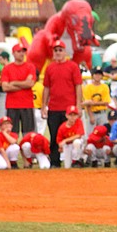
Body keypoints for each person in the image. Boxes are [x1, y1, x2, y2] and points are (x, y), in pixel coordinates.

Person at [42, 39, 83, 167]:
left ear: (65, 52)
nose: (58, 52)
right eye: (56, 50)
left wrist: (78, 105)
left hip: (69, 108)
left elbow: (78, 86)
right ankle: (55, 161)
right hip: (54, 107)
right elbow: (46, 88)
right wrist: (44, 105)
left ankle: (74, 160)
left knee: (73, 134)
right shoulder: (50, 68)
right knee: (54, 135)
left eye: (60, 50)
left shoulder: (73, 66)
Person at [0, 43, 37, 135]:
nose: (22, 54)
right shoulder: (7, 68)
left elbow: (30, 83)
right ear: (13, 53)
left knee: (29, 133)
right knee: (12, 133)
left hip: (27, 104)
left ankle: (27, 149)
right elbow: (5, 87)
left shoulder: (30, 67)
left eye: (23, 51)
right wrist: (23, 84)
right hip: (12, 105)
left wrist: (14, 83)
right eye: (19, 51)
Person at [81, 67, 112, 134]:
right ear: (92, 75)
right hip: (91, 113)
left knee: (103, 133)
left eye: (99, 74)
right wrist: (91, 116)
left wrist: (93, 103)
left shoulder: (105, 87)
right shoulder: (88, 87)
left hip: (102, 113)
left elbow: (106, 102)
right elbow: (88, 103)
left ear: (102, 76)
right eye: (96, 74)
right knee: (91, 134)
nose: (97, 76)